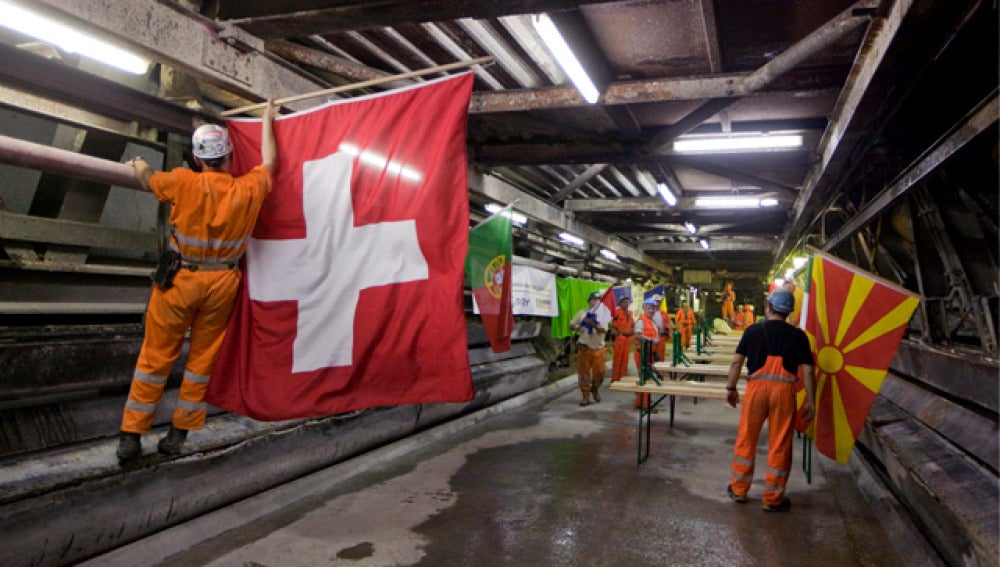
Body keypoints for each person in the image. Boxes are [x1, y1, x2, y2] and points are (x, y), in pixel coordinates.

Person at [116, 100, 279, 463]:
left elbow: (147, 179)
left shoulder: (182, 181)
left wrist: (138, 163)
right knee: (202, 358)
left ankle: (131, 435)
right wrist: (267, 119)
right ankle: (179, 433)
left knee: (156, 356)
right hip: (223, 282)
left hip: (180, 281)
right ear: (230, 157)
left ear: (198, 158)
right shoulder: (248, 188)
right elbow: (270, 163)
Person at [724, 288, 816, 511]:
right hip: (784, 393)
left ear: (768, 307)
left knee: (747, 437)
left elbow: (736, 362)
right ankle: (773, 499)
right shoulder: (799, 336)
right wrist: (811, 402)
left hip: (756, 390)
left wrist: (731, 388)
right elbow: (808, 372)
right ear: (789, 313)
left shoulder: (753, 331)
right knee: (780, 442)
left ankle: (739, 490)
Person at [569, 291, 608, 406]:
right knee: (584, 373)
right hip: (584, 346)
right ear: (589, 301)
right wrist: (575, 326)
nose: (596, 301)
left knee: (600, 373)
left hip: (598, 348)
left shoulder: (603, 315)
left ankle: (595, 389)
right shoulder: (582, 313)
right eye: (594, 299)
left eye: (598, 299)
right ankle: (585, 395)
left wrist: (592, 324)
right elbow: (571, 324)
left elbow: (603, 330)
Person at [632, 297, 660, 409]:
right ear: (644, 308)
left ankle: (640, 401)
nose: (651, 310)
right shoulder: (641, 321)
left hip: (649, 354)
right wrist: (652, 340)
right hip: (642, 354)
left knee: (645, 377)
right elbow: (637, 335)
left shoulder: (652, 322)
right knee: (645, 378)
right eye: (649, 308)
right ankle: (646, 404)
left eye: (653, 308)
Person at [610, 296, 634, 382]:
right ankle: (615, 379)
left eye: (628, 302)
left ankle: (623, 378)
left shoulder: (630, 313)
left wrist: (632, 331)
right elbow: (612, 326)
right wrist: (615, 332)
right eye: (625, 302)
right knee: (618, 359)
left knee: (625, 359)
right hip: (620, 338)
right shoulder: (616, 313)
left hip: (628, 339)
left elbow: (633, 324)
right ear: (621, 303)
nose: (627, 304)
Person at [652, 297, 672, 364]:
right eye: (656, 301)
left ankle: (660, 371)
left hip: (661, 337)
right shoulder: (649, 313)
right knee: (651, 356)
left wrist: (667, 327)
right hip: (652, 338)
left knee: (661, 356)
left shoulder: (664, 313)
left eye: (659, 302)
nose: (657, 303)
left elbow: (669, 324)